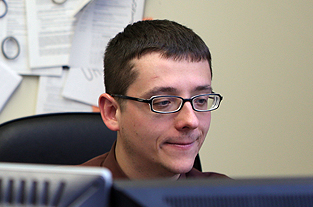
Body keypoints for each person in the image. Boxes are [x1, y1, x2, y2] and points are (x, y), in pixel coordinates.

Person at [80, 19, 228, 179]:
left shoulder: (232, 199)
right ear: (112, 112)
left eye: (200, 100)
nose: (191, 121)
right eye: (164, 102)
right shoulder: (65, 199)